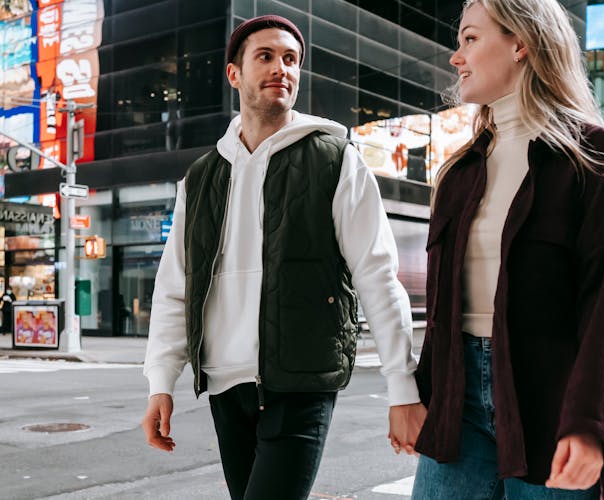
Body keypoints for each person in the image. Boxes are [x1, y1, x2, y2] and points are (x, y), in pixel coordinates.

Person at [141, 15, 424, 500]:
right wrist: (160, 381)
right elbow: (176, 285)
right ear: (234, 74)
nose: (281, 69)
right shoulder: (201, 178)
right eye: (266, 57)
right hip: (226, 389)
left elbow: (377, 274)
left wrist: (403, 387)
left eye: (290, 59)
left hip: (301, 383)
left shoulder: (335, 158)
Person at [409, 1, 604, 499]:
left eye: (469, 39)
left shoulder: (594, 156)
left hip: (551, 406)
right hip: (457, 406)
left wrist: (591, 422)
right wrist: (413, 397)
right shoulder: (458, 173)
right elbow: (441, 314)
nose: (455, 57)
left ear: (521, 43)